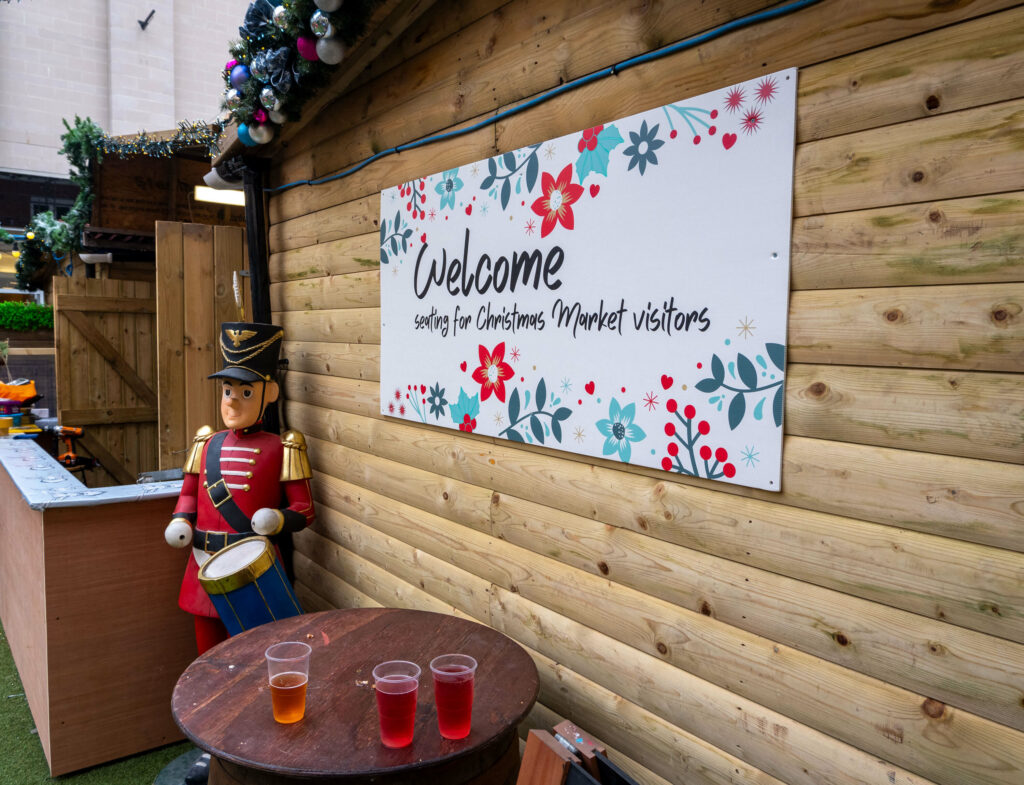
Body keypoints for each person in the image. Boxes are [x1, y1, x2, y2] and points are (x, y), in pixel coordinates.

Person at [164, 321, 315, 655]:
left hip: (253, 570)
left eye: (245, 393)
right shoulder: (206, 442)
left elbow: (304, 509)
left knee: (254, 653)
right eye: (227, 391)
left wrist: (277, 520)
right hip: (203, 562)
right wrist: (181, 520)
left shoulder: (283, 447)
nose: (232, 402)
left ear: (270, 393)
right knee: (207, 656)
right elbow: (189, 494)